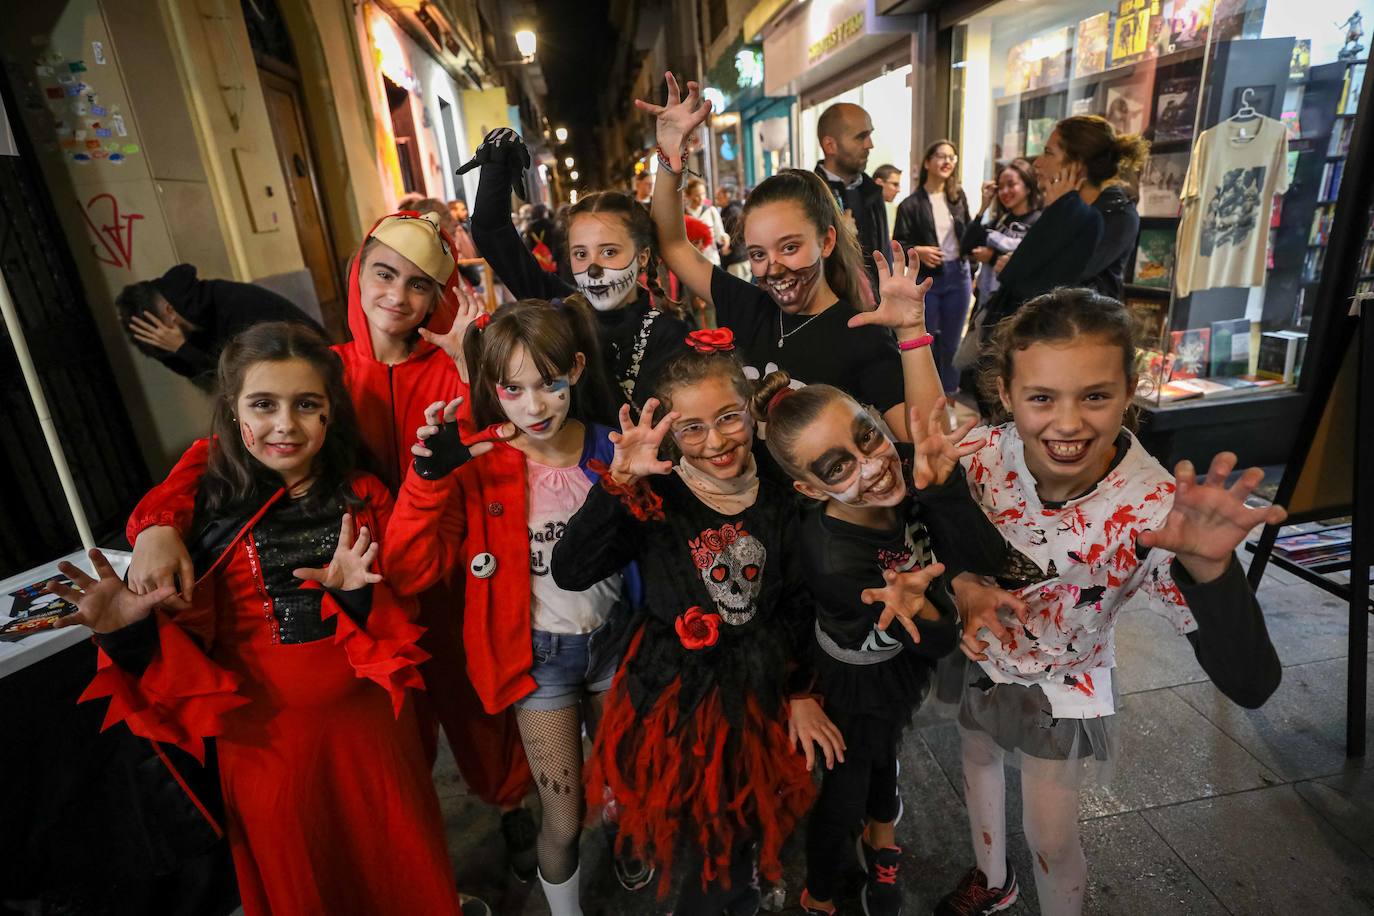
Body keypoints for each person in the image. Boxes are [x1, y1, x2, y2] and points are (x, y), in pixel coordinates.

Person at [119, 212, 540, 882]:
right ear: (357, 274)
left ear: (441, 295)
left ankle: (511, 805)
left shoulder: (462, 367)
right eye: (384, 274)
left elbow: (512, 453)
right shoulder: (324, 371)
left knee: (482, 718)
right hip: (362, 584)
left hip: (452, 580)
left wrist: (474, 374)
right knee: (398, 744)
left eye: (419, 284)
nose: (398, 297)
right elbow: (213, 456)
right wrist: (157, 525)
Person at [54, 322, 476, 916]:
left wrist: (359, 597)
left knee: (399, 873)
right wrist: (126, 633)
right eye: (263, 404)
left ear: (332, 413)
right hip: (266, 751)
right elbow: (181, 668)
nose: (285, 424)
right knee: (304, 885)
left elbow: (405, 590)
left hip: (372, 735)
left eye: (307, 404)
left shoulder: (362, 493)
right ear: (233, 411)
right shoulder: (203, 513)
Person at [932, 289, 1284, 916]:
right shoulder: (983, 454)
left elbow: (1252, 683)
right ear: (1006, 394)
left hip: (1065, 680)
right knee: (976, 757)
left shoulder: (1154, 512)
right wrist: (961, 582)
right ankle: (991, 876)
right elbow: (937, 529)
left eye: (1094, 395)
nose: (1067, 424)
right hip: (983, 652)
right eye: (1042, 397)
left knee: (1052, 837)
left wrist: (1212, 570)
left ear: (1129, 390)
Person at [756, 248, 1005, 916]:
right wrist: (931, 606)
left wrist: (943, 487)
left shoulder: (895, 465)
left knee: (882, 756)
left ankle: (883, 838)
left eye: (867, 437)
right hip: (852, 682)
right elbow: (940, 639)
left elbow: (972, 550)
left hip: (889, 662)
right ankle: (824, 889)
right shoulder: (837, 560)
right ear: (809, 490)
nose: (871, 467)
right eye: (839, 469)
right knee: (844, 786)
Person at [552, 329, 833, 915]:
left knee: (742, 827)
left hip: (760, 693)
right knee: (697, 834)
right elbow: (572, 569)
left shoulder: (785, 491)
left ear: (751, 411)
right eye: (693, 429)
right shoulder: (654, 497)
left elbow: (802, 599)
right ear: (672, 434)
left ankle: (739, 891)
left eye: (729, 418)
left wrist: (803, 690)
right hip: (674, 698)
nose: (715, 442)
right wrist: (620, 483)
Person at [385, 296, 626, 916]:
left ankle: (630, 838)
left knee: (628, 788)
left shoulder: (611, 447)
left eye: (548, 383)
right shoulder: (480, 460)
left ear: (575, 368)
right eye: (513, 390)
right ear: (493, 388)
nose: (534, 406)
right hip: (538, 660)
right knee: (564, 816)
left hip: (618, 645)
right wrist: (427, 484)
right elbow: (410, 569)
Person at [637, 74, 909, 456]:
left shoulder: (861, 335)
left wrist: (914, 334)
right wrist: (669, 157)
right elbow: (672, 243)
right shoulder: (748, 306)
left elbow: (921, 440)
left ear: (827, 241)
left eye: (791, 247)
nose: (774, 268)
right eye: (759, 254)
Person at [462, 128, 691, 412]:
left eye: (609, 251)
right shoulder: (559, 310)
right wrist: (496, 164)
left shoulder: (671, 335)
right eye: (581, 254)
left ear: (642, 257)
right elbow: (491, 233)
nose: (593, 269)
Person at [981, 117, 1148, 330]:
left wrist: (1060, 213)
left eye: (1049, 153)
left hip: (1083, 336)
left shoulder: (1118, 214)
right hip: (1043, 333)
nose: (1037, 163)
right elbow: (1013, 275)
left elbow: (1052, 282)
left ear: (1077, 165)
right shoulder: (1061, 207)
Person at [116, 264, 321, 389]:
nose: (162, 338)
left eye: (158, 330)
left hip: (317, 368)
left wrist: (183, 349)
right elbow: (201, 375)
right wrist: (178, 351)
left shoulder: (229, 305)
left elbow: (241, 381)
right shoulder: (194, 318)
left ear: (170, 311)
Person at [957, 160, 1043, 400]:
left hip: (1019, 309)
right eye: (1001, 187)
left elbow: (1033, 266)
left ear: (1027, 186)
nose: (1005, 192)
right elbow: (965, 246)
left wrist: (993, 256)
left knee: (1011, 371)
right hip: (990, 306)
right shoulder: (1000, 221)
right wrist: (983, 206)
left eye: (1011, 184)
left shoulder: (1039, 222)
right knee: (983, 373)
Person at [892, 140, 973, 395]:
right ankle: (923, 394)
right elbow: (898, 244)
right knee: (924, 340)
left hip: (958, 275)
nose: (947, 161)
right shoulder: (910, 204)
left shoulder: (958, 198)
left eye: (952, 157)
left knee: (952, 344)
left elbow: (968, 234)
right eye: (940, 156)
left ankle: (949, 395)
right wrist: (920, 251)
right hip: (929, 280)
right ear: (927, 162)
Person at [814, 102, 889, 297]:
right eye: (861, 137)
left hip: (879, 311)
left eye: (870, 135)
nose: (869, 145)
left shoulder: (872, 190)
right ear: (830, 145)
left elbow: (883, 253)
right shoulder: (808, 195)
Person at [715, 184, 750, 281]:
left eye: (719, 193)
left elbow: (741, 234)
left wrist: (729, 248)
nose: (716, 196)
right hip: (735, 259)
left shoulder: (733, 211)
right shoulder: (727, 210)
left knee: (737, 293)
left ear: (727, 195)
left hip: (737, 260)